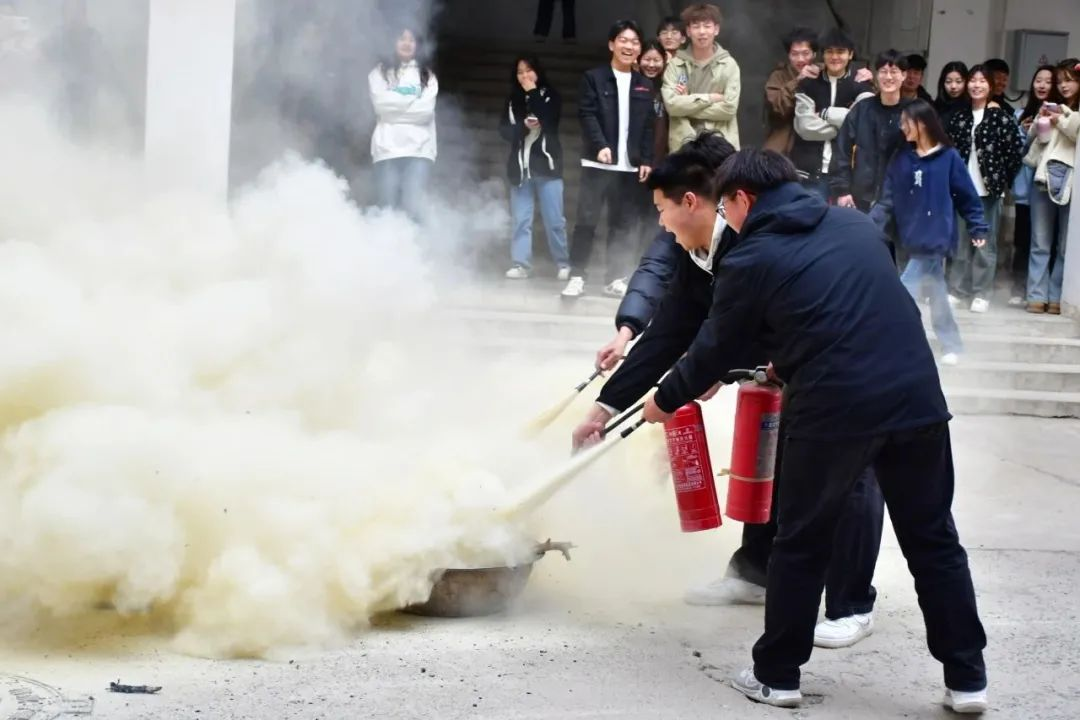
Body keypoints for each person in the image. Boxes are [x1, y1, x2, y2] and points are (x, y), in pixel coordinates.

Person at [639, 148, 988, 713]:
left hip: (834, 410)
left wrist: (664, 399)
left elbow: (714, 348)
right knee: (934, 541)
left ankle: (777, 677)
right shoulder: (856, 225)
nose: (726, 218)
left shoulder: (749, 257)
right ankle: (968, 679)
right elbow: (848, 303)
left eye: (726, 207)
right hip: (917, 399)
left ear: (743, 199)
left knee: (800, 542)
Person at [577, 133, 885, 652]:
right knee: (773, 462)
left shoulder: (765, 236)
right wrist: (604, 408)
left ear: (699, 200)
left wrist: (679, 392)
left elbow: (733, 333)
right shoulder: (698, 248)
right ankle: (756, 571)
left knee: (854, 472)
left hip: (851, 357)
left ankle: (852, 603)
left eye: (661, 210)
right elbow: (672, 330)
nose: (660, 224)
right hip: (790, 364)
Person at [871, 100, 988, 366]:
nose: (902, 127)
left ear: (922, 123)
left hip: (936, 239)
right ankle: (951, 344)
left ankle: (892, 347)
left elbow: (967, 196)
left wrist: (977, 226)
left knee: (903, 293)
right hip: (909, 239)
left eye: (906, 122)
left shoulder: (949, 158)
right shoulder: (901, 159)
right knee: (936, 293)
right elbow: (886, 201)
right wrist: (869, 226)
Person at [561, 20, 655, 300]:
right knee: (587, 220)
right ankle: (577, 275)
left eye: (635, 42)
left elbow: (648, 126)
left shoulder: (644, 85)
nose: (629, 46)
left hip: (629, 165)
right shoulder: (594, 78)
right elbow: (587, 114)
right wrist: (600, 145)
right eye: (623, 40)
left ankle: (614, 278)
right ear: (612, 44)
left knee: (621, 223)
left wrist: (646, 159)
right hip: (598, 162)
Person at [945, 64, 1023, 313]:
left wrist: (1001, 181)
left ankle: (981, 292)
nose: (976, 85)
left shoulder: (1001, 118)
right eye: (973, 80)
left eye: (982, 81)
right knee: (959, 243)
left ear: (990, 86)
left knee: (984, 244)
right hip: (961, 191)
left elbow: (1014, 153)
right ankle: (957, 289)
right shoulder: (960, 117)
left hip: (989, 192)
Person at [499, 55, 571, 281]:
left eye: (529, 70)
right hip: (521, 170)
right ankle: (521, 264)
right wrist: (523, 127)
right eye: (520, 72)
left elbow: (549, 120)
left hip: (548, 168)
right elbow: (504, 130)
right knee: (521, 220)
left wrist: (532, 92)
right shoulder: (513, 99)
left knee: (555, 220)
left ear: (538, 72)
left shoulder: (551, 95)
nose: (525, 76)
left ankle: (563, 263)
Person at [790, 27, 874, 202]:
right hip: (810, 173)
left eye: (841, 52)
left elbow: (863, 122)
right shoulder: (808, 83)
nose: (835, 57)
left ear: (850, 54)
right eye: (829, 51)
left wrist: (825, 114)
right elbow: (805, 127)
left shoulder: (861, 84)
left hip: (846, 176)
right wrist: (846, 128)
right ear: (823, 54)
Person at [1025, 58, 1079, 315]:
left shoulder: (1069, 112)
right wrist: (1041, 121)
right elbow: (1032, 139)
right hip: (1043, 177)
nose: (1063, 86)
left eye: (1069, 80)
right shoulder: (1050, 106)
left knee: (1065, 245)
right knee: (1040, 241)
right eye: (1060, 81)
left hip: (1070, 181)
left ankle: (1056, 296)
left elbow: (1075, 132)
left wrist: (1059, 119)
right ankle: (1036, 296)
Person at [368, 27, 438, 223]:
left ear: (417, 45)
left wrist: (394, 104)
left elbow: (425, 112)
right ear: (393, 42)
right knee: (386, 209)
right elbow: (381, 107)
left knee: (413, 208)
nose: (406, 43)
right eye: (402, 39)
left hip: (419, 151)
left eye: (411, 40)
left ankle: (414, 244)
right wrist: (411, 101)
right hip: (386, 150)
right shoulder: (379, 74)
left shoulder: (427, 76)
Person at [834, 50, 911, 213]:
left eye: (894, 72)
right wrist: (843, 190)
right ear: (876, 75)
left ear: (904, 75)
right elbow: (842, 150)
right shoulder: (862, 109)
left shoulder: (913, 111)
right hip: (862, 195)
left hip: (901, 195)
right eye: (883, 71)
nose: (888, 77)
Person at [662, 3, 741, 152]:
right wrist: (710, 98)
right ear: (688, 31)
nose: (702, 31)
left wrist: (686, 104)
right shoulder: (675, 65)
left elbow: (729, 109)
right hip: (684, 145)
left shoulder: (729, 65)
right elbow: (671, 106)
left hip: (721, 146)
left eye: (707, 26)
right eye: (696, 26)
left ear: (716, 29)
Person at [1009, 65, 1057, 306]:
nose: (1042, 85)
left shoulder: (1060, 115)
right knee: (1023, 239)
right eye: (1038, 80)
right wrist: (1024, 133)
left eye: (1048, 81)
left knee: (1048, 241)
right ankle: (1019, 288)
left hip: (1049, 187)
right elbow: (1014, 151)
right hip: (1024, 189)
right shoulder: (1020, 115)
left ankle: (1042, 291)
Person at [763, 26, 818, 154]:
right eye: (795, 54)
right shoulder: (778, 76)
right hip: (785, 144)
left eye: (805, 53)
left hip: (816, 141)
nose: (800, 59)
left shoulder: (823, 73)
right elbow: (777, 108)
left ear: (814, 54)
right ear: (788, 55)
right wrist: (797, 81)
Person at [639, 40, 670, 166]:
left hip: (663, 156)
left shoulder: (669, 87)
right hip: (637, 156)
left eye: (656, 60)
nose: (651, 65)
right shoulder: (632, 84)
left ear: (664, 60)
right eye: (647, 59)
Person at [934, 61, 970, 128]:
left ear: (966, 82)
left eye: (958, 82)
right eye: (948, 82)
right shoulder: (935, 107)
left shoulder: (971, 107)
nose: (953, 86)